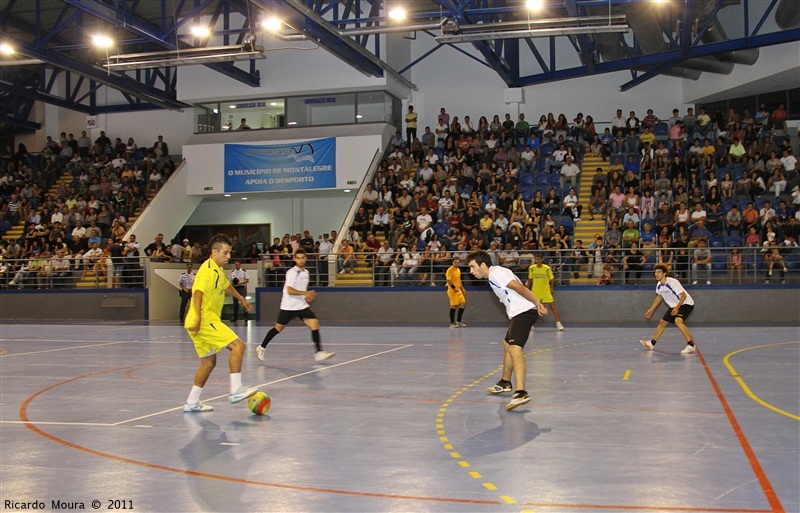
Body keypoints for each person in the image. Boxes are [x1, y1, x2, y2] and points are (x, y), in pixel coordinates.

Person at [183, 234, 258, 412]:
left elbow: (226, 286)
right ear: (214, 252)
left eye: (229, 253)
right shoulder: (207, 269)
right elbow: (198, 293)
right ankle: (235, 390)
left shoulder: (216, 269)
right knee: (238, 346)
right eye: (225, 253)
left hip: (199, 321)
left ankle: (192, 402)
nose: (228, 257)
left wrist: (241, 298)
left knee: (208, 363)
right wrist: (200, 318)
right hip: (205, 319)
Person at [467, 250, 548, 411]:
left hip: (524, 311)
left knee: (515, 348)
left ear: (483, 265)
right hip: (520, 312)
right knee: (507, 344)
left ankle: (521, 392)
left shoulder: (495, 274)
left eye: (472, 267)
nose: (471, 271)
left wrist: (537, 303)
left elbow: (519, 287)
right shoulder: (497, 273)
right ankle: (505, 382)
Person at [256, 248, 335, 363]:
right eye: (298, 258)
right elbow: (290, 290)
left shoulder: (306, 273)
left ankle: (319, 353)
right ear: (294, 259)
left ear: (306, 258)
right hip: (289, 306)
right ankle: (261, 347)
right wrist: (305, 293)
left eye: (303, 258)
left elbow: (301, 289)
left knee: (315, 324)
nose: (301, 260)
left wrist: (306, 297)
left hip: (301, 306)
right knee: (278, 329)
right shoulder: (291, 273)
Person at [640, 263, 698, 354]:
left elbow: (683, 296)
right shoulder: (659, 285)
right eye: (655, 272)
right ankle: (652, 343)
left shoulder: (672, 282)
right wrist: (651, 309)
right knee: (662, 322)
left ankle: (691, 345)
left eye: (659, 272)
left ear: (664, 273)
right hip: (674, 305)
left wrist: (677, 308)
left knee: (678, 321)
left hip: (686, 303)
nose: (657, 274)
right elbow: (659, 296)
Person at [525, 253, 564, 330]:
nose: (537, 261)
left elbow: (552, 279)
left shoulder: (547, 268)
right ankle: (531, 325)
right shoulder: (532, 268)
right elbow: (530, 279)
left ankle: (559, 324)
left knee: (552, 306)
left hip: (545, 290)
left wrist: (551, 288)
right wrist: (527, 289)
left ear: (542, 260)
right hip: (535, 291)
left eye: (539, 259)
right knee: (533, 308)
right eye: (536, 259)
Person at [445, 256, 467, 328]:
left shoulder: (458, 270)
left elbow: (459, 280)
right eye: (455, 262)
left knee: (463, 304)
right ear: (452, 262)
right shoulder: (450, 270)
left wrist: (463, 289)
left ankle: (459, 321)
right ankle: (452, 323)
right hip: (452, 291)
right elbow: (448, 280)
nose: (457, 264)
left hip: (459, 290)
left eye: (458, 262)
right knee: (454, 306)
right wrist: (454, 288)